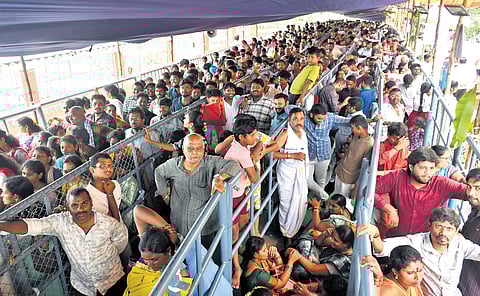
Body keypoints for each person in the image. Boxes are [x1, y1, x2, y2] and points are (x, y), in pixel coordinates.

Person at [0, 187, 128, 296]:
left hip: (114, 282)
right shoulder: (61, 222)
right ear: (67, 206)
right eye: (74, 205)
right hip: (83, 288)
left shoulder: (109, 224)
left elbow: (120, 244)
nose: (80, 209)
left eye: (84, 203)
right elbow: (31, 225)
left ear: (91, 203)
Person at [360, 208, 480, 296]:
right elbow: (384, 248)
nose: (443, 233)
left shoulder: (460, 243)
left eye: (449, 229)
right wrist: (375, 236)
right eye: (438, 226)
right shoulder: (416, 241)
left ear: (456, 231)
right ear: (429, 225)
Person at [154, 133, 241, 246]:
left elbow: (235, 166)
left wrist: (219, 177)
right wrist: (165, 195)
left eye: (199, 148)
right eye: (190, 149)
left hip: (205, 228)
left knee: (206, 258)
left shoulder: (211, 163)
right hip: (179, 225)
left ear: (204, 149)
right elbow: (159, 172)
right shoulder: (173, 165)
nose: (195, 152)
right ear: (183, 150)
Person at [375, 146, 471, 237]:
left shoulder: (442, 183)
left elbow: (471, 193)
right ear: (411, 167)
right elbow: (369, 191)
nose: (428, 173)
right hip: (396, 236)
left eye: (431, 168)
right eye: (422, 168)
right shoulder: (397, 177)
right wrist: (387, 208)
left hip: (426, 240)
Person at [224, 115, 260, 288]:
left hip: (239, 194)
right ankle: (236, 268)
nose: (255, 137)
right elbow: (254, 178)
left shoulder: (239, 146)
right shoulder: (241, 152)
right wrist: (254, 160)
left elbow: (259, 144)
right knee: (234, 235)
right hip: (232, 198)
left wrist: (254, 153)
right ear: (241, 137)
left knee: (244, 221)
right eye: (252, 135)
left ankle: (238, 252)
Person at [123, 227, 192, 296]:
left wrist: (176, 283)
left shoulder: (178, 270)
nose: (149, 265)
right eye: (145, 260)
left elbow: (184, 288)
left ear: (168, 251)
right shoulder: (140, 264)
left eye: (154, 260)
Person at [273, 108, 309, 239]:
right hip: (287, 173)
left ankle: (295, 227)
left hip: (300, 171)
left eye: (301, 119)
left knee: (301, 199)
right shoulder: (285, 134)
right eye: (295, 119)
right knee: (286, 202)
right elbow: (272, 153)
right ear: (289, 120)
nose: (299, 122)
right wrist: (291, 155)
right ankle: (285, 231)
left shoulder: (302, 132)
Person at [334, 115, 374, 205]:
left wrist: (356, 187)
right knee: (335, 199)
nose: (351, 130)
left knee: (344, 204)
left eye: (353, 128)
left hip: (349, 180)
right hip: (340, 173)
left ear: (359, 128)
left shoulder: (369, 144)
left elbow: (364, 169)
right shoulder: (356, 136)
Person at [360, 245, 425, 296]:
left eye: (420, 270)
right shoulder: (388, 291)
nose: (418, 277)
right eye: (410, 273)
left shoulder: (412, 283)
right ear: (395, 271)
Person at [459, 168, 480, 296]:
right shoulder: (475, 209)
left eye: (478, 188)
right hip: (461, 279)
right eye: (469, 187)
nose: (471, 193)